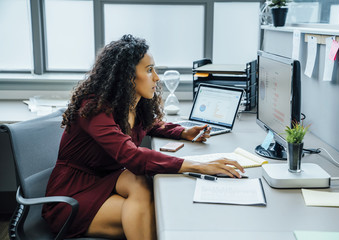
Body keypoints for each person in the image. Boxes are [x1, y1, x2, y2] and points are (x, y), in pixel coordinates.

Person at [42, 34, 244, 240]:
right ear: (127, 76)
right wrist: (198, 165)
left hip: (103, 180)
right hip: (71, 195)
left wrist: (183, 132)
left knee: (140, 184)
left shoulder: (131, 105)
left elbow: (150, 125)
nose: (156, 77)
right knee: (153, 216)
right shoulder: (95, 107)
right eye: (149, 71)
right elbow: (132, 156)